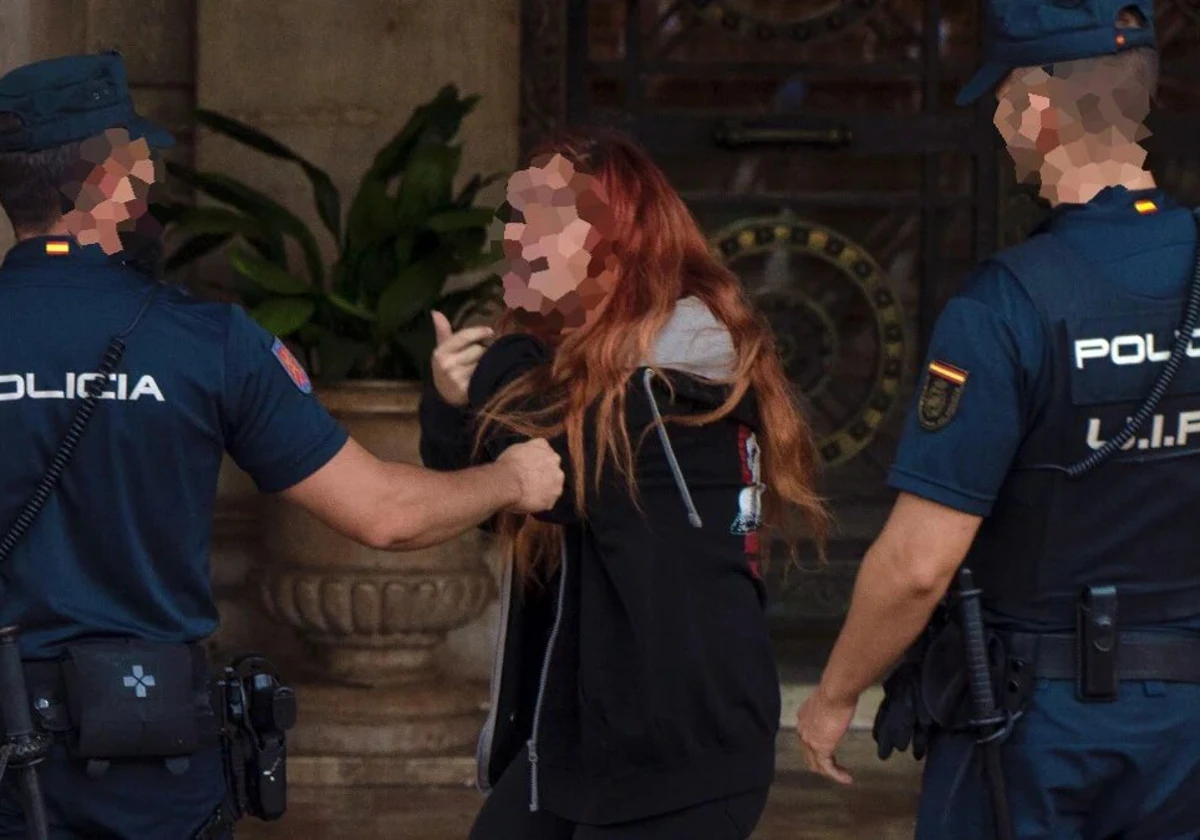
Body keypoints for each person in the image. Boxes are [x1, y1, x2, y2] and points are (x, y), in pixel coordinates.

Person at [0, 51, 564, 840]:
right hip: (147, 755)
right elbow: (384, 514)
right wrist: (510, 478)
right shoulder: (208, 343)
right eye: (142, 166)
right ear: (108, 182)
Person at [796, 2, 1200, 838]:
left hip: (1037, 731)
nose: (996, 120)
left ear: (1036, 111)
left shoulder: (1005, 306)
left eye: (1002, 100)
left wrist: (833, 695)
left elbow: (917, 565)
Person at [419, 129, 829, 839]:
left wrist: (500, 361)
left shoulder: (686, 360)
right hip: (581, 742)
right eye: (518, 216)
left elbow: (556, 478)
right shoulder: (581, 363)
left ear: (620, 236)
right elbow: (503, 500)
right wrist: (450, 406)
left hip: (683, 754)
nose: (520, 236)